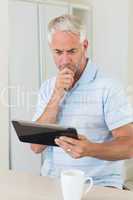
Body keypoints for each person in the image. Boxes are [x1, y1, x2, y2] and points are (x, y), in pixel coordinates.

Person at [31, 14, 133, 189]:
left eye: (71, 51)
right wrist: (56, 95)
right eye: (58, 52)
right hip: (52, 181)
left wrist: (90, 149)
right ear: (51, 48)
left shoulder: (108, 86)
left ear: (84, 46)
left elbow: (129, 145)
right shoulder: (48, 87)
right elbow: (36, 147)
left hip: (98, 185)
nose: (64, 60)